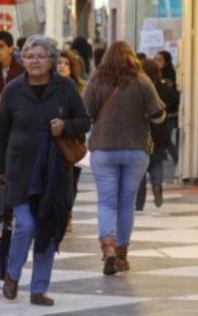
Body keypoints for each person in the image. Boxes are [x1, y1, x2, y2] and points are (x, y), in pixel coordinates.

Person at [0, 36, 90, 306]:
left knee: (48, 228)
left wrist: (66, 126)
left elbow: (84, 121)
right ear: (22, 61)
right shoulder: (13, 90)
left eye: (40, 56)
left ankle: (38, 288)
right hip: (20, 169)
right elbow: (1, 132)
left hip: (54, 171)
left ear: (51, 60)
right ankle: (12, 274)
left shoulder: (66, 87)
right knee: (25, 225)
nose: (34, 61)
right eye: (29, 56)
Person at [83, 41, 165, 275]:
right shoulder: (141, 80)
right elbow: (158, 115)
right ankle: (121, 255)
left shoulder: (97, 79)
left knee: (106, 200)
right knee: (126, 202)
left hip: (103, 148)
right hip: (135, 149)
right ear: (131, 57)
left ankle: (107, 245)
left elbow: (85, 111)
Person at [136, 59, 180, 211]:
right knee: (156, 163)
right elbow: (175, 101)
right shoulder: (164, 88)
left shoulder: (138, 88)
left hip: (141, 133)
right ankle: (156, 186)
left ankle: (139, 202)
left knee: (140, 168)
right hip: (160, 131)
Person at [57, 50, 87, 232]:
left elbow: (86, 118)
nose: (62, 66)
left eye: (66, 63)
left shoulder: (81, 89)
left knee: (72, 181)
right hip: (53, 141)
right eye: (59, 62)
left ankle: (67, 214)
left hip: (74, 143)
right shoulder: (49, 86)